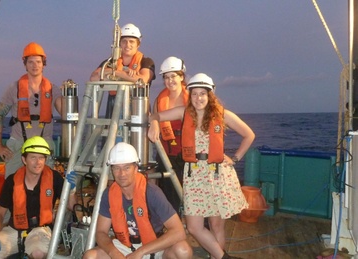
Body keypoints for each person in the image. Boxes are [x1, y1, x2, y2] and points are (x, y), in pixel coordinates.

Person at [148, 73, 255, 259]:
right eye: (195, 93)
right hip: (194, 176)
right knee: (194, 227)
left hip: (217, 175)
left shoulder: (223, 114)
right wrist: (155, 124)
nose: (198, 98)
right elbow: (154, 115)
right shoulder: (184, 113)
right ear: (190, 94)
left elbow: (249, 135)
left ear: (210, 95)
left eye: (202, 94)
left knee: (216, 226)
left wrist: (236, 158)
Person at [83, 142, 193, 259]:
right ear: (112, 170)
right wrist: (114, 254)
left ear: (135, 169)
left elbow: (178, 231)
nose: (122, 174)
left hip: (154, 245)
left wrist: (140, 252)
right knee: (91, 256)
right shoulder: (109, 194)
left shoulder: (152, 192)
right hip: (124, 246)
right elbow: (101, 232)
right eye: (116, 168)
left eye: (127, 168)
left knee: (183, 250)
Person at [0, 136, 76, 259]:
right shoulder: (12, 181)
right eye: (33, 157)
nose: (38, 162)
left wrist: (71, 191)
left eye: (41, 157)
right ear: (24, 160)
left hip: (41, 231)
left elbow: (71, 206)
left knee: (38, 253)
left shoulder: (54, 178)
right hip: (14, 231)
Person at [0, 42, 58, 178]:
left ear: (43, 64)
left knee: (46, 183)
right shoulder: (13, 88)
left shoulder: (53, 89)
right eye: (31, 62)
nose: (35, 66)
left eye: (38, 62)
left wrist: (70, 95)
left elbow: (67, 113)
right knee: (11, 184)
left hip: (44, 143)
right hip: (18, 144)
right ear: (25, 64)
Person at [88, 23, 156, 119]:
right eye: (124, 41)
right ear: (119, 43)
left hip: (138, 108)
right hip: (113, 110)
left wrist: (113, 74)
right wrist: (125, 74)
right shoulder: (110, 62)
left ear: (138, 44)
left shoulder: (146, 62)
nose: (127, 45)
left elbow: (143, 80)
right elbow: (94, 77)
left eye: (131, 41)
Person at [153, 56, 188, 215]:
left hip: (189, 153)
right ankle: (174, 226)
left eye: (173, 76)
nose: (170, 80)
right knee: (169, 194)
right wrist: (153, 124)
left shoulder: (193, 98)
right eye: (166, 77)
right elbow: (154, 115)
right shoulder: (160, 99)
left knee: (192, 193)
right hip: (167, 153)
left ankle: (201, 225)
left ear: (182, 76)